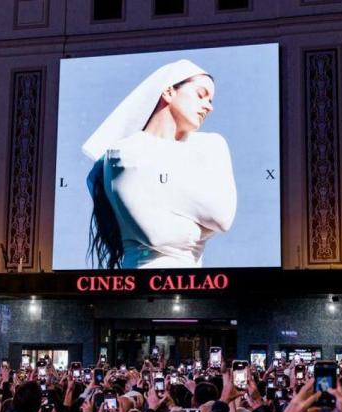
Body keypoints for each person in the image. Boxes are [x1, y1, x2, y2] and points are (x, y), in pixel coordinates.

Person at [82, 59, 237, 269]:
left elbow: (222, 217)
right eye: (201, 95)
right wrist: (202, 227)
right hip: (140, 285)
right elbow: (156, 235)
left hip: (197, 286)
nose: (209, 107)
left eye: (211, 100)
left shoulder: (211, 145)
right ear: (169, 92)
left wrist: (158, 191)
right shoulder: (124, 152)